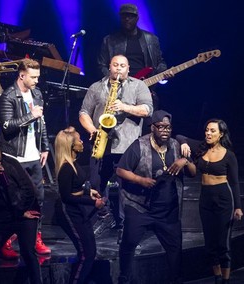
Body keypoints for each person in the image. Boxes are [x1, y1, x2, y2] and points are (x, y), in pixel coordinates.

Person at [116, 110, 196, 284]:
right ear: (153, 127)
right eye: (161, 127)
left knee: (175, 250)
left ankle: (176, 279)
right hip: (140, 207)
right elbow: (120, 170)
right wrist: (140, 180)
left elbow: (193, 173)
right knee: (128, 244)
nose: (165, 131)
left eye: (168, 127)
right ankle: (124, 277)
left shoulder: (176, 145)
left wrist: (186, 161)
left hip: (168, 210)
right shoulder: (140, 145)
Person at [79, 54, 153, 237]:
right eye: (115, 65)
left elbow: (147, 110)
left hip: (128, 146)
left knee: (126, 189)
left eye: (123, 66)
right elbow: (83, 112)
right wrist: (91, 129)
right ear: (109, 67)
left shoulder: (139, 86)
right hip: (101, 143)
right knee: (96, 184)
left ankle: (127, 226)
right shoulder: (96, 87)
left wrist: (124, 107)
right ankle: (105, 216)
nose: (119, 69)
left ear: (128, 69)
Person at [177, 119, 243, 284]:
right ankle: (217, 277)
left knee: (223, 243)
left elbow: (234, 183)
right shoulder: (201, 148)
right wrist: (184, 145)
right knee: (210, 244)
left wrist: (238, 207)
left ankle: (226, 281)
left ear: (221, 134)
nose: (208, 133)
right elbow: (179, 136)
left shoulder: (229, 156)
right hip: (205, 199)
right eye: (207, 130)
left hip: (223, 200)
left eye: (213, 131)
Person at [0, 58, 51, 256]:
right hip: (14, 157)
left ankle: (36, 237)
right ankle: (7, 241)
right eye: (33, 77)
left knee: (39, 198)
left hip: (33, 155)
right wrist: (31, 116)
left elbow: (42, 123)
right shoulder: (8, 96)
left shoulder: (36, 94)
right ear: (22, 75)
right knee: (15, 201)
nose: (37, 81)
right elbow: (6, 127)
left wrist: (44, 146)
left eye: (38, 76)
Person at [0, 136, 42, 284]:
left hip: (24, 213)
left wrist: (21, 210)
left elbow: (29, 189)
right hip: (1, 216)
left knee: (28, 252)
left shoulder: (11, 163)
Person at [97, 3, 172, 134]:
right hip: (118, 89)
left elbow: (159, 62)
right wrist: (114, 81)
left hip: (144, 89)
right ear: (120, 18)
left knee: (147, 132)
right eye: (124, 16)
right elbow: (101, 65)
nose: (127, 19)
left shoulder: (151, 39)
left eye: (131, 16)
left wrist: (164, 72)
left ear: (137, 18)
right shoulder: (109, 40)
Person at [54, 126, 105, 284]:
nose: (82, 142)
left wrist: (89, 192)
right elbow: (67, 196)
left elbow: (77, 187)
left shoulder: (74, 164)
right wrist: (91, 201)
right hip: (68, 212)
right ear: (71, 145)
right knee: (86, 253)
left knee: (91, 251)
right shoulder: (66, 169)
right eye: (79, 140)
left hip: (77, 209)